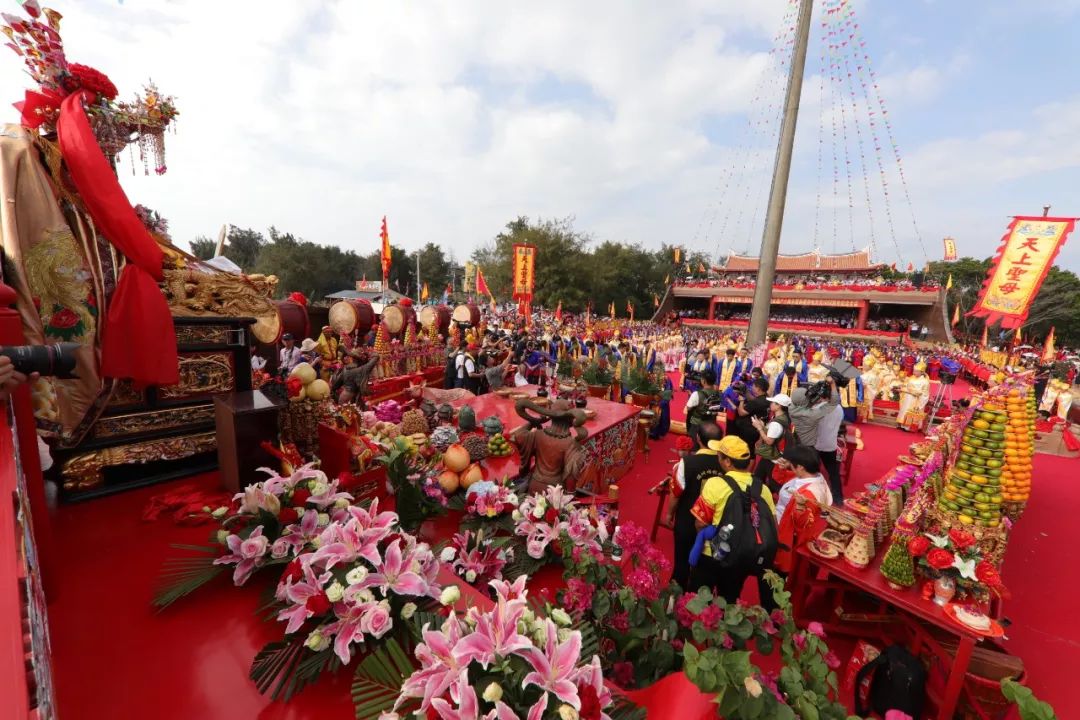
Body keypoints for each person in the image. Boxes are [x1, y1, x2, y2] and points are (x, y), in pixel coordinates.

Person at [689, 435, 776, 602]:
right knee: (729, 599)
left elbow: (700, 523)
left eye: (719, 455)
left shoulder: (715, 484)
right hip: (741, 556)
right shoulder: (763, 489)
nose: (718, 459)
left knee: (697, 601)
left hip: (712, 554)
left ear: (728, 462)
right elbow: (772, 525)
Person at [666, 421, 724, 588]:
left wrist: (670, 513)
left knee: (682, 562)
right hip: (715, 524)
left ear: (698, 438)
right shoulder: (726, 464)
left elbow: (676, 492)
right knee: (707, 566)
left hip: (687, 519)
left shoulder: (687, 462)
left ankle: (676, 598)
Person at [750, 392, 793, 491]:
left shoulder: (776, 423)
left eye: (773, 402)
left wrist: (759, 428)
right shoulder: (784, 418)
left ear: (779, 406)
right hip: (772, 457)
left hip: (773, 458)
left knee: (775, 485)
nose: (771, 404)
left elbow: (769, 441)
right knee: (758, 477)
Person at [814, 378, 846, 503]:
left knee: (813, 472)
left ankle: (816, 496)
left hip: (816, 445)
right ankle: (838, 498)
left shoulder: (818, 409)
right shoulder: (839, 408)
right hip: (831, 445)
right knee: (833, 473)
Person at [685, 369, 721, 442]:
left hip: (697, 424)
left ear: (703, 381)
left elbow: (688, 408)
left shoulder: (697, 394)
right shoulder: (718, 394)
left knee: (694, 445)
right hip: (711, 424)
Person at [897, 362, 930, 432]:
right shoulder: (912, 378)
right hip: (908, 397)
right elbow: (908, 386)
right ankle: (903, 424)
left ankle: (908, 427)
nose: (914, 372)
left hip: (915, 400)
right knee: (905, 409)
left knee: (910, 411)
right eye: (914, 370)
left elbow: (924, 393)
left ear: (921, 372)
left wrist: (907, 391)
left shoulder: (925, 382)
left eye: (916, 371)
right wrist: (902, 388)